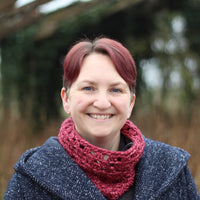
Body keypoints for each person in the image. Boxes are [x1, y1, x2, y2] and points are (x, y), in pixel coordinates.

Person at [4, 37, 200, 200]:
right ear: (66, 99)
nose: (103, 102)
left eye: (116, 90)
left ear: (131, 103)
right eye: (88, 88)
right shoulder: (30, 180)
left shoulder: (172, 169)